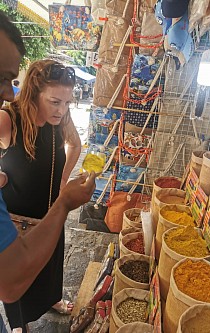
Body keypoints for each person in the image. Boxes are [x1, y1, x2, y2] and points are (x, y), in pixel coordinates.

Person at [0, 10, 95, 332]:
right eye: (55, 102)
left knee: (52, 260)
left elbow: (76, 146)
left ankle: (51, 299)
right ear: (34, 93)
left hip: (51, 206)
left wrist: (64, 182)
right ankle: (20, 323)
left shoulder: (61, 122)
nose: (61, 110)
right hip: (16, 214)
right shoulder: (9, 118)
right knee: (21, 268)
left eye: (67, 103)